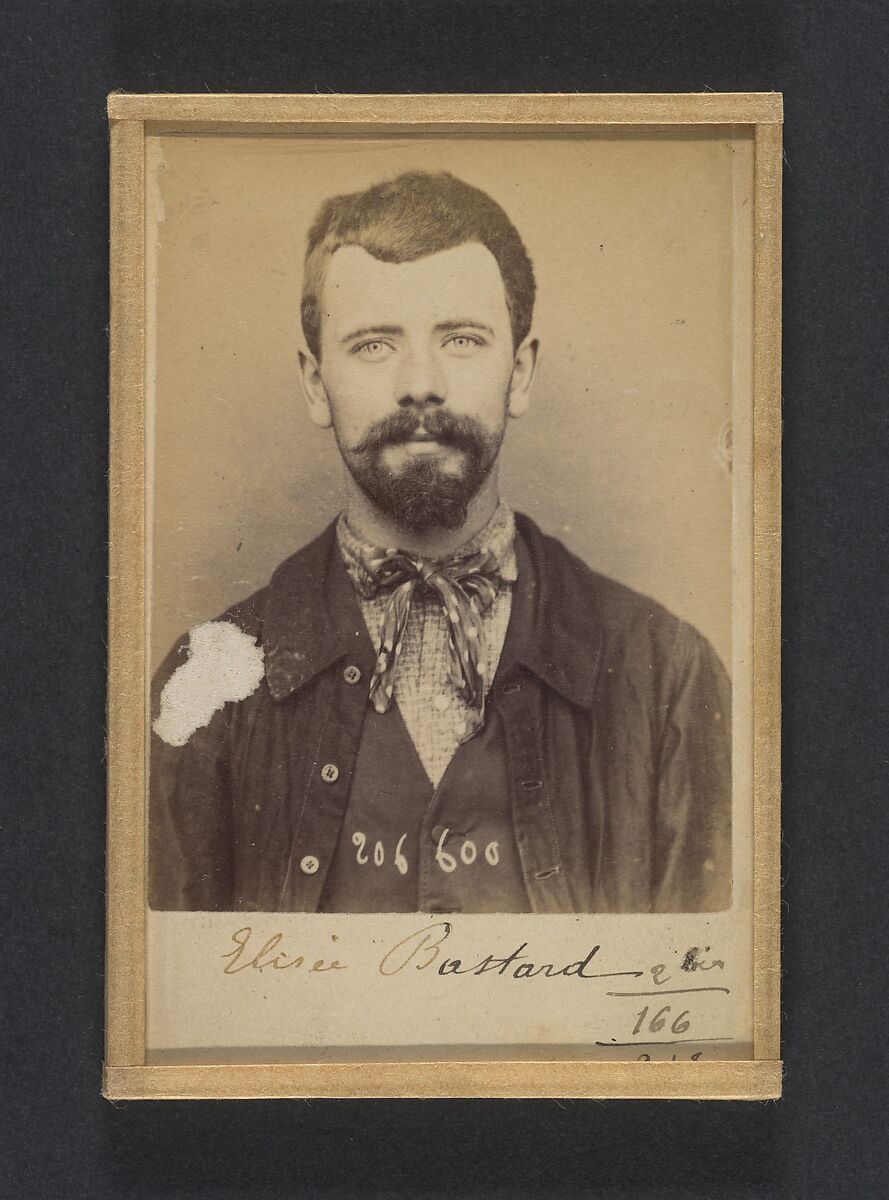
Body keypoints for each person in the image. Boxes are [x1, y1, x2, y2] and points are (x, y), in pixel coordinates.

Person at [149, 170, 731, 915]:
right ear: (313, 384)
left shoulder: (671, 680)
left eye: (460, 339)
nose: (419, 383)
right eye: (371, 345)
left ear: (518, 373)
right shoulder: (207, 687)